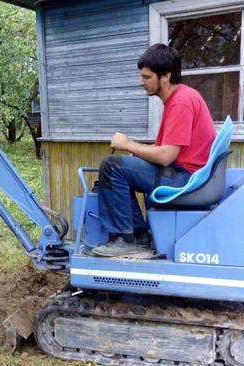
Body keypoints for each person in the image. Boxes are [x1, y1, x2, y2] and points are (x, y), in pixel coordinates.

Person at [92, 43, 216, 257]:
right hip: (187, 173)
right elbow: (170, 148)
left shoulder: (181, 103)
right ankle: (140, 235)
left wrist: (127, 144)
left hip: (184, 178)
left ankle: (124, 238)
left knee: (112, 166)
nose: (142, 82)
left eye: (147, 77)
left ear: (165, 76)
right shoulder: (182, 98)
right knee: (124, 168)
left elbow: (167, 156)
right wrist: (139, 151)